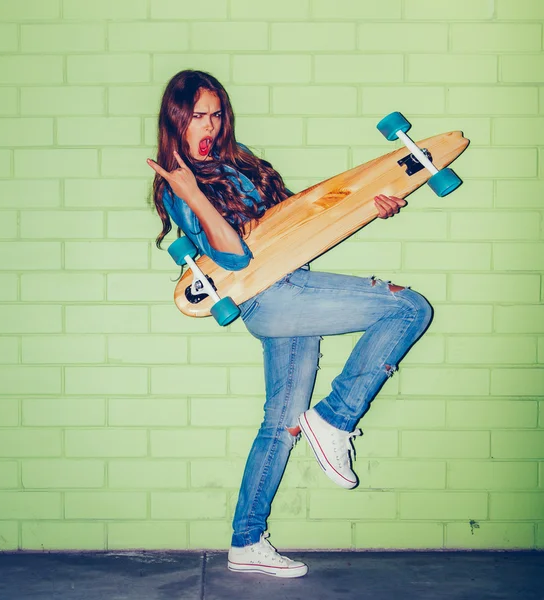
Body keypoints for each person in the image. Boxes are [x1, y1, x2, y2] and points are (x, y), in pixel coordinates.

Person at [148, 70, 433, 578]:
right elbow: (234, 258)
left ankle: (246, 539)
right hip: (273, 298)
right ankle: (336, 418)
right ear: (177, 119)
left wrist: (372, 208)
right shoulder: (178, 186)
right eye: (197, 116)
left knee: (280, 425)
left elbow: (297, 226)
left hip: (290, 290)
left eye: (216, 113)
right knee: (409, 308)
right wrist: (191, 192)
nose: (209, 125)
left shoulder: (240, 164)